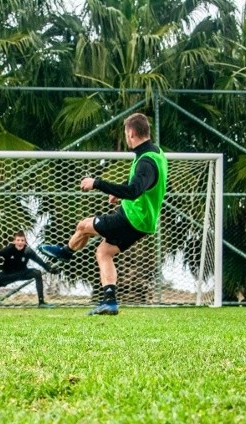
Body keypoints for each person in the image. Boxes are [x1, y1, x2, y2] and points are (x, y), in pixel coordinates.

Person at [39, 112, 168, 315]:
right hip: (143, 222)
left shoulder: (146, 162)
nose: (126, 137)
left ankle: (66, 252)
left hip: (132, 218)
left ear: (131, 133)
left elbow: (135, 191)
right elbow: (142, 184)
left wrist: (97, 183)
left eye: (126, 133)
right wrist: (120, 195)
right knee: (104, 252)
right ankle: (109, 302)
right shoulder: (156, 153)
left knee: (83, 226)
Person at [0, 231, 59, 308]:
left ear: (25, 242)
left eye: (22, 240)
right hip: (6, 275)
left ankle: (41, 302)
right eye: (18, 240)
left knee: (37, 273)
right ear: (14, 241)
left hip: (22, 273)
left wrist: (50, 269)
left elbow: (40, 261)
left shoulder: (28, 251)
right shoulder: (8, 249)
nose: (20, 242)